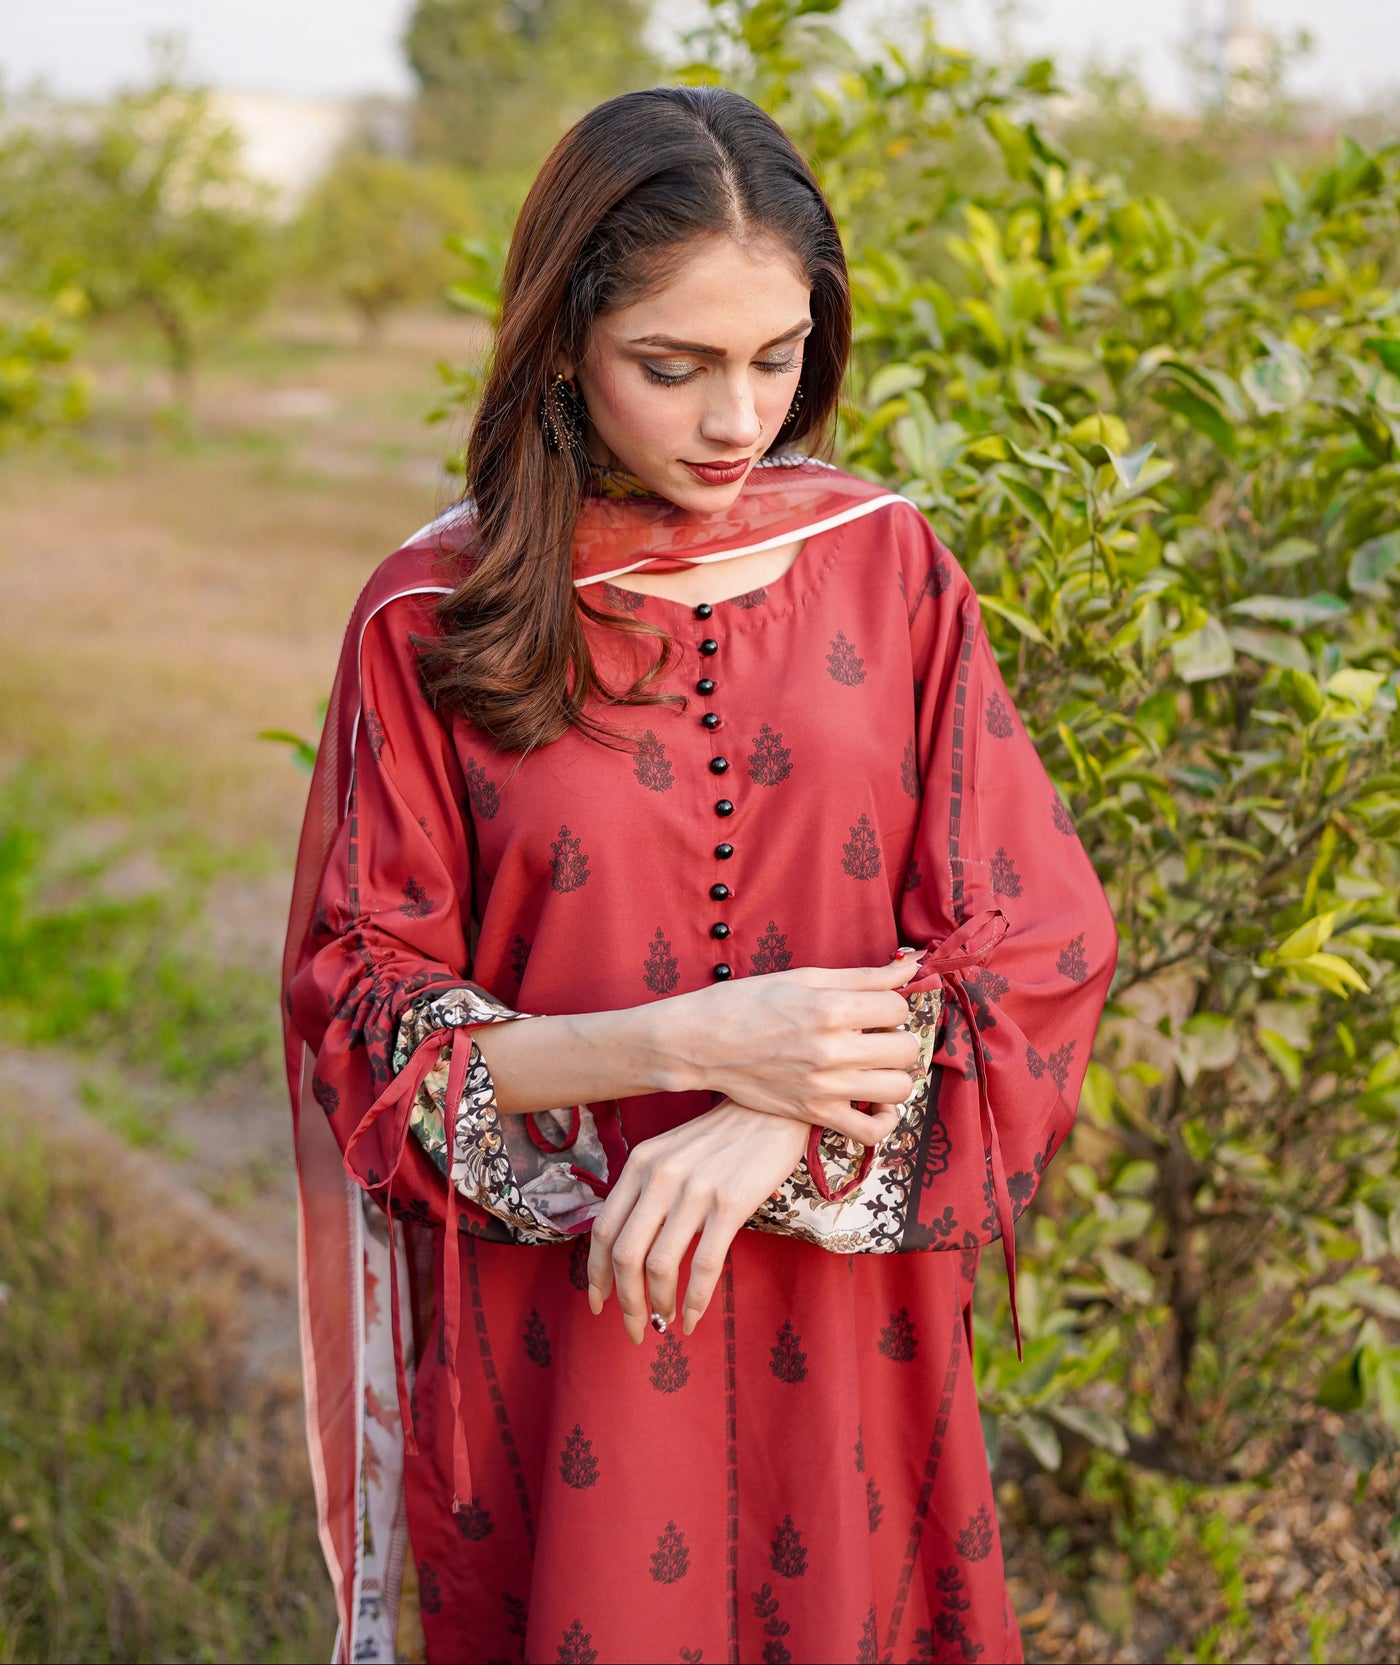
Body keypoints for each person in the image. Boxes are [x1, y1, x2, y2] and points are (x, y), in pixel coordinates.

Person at [282, 85, 1117, 1665]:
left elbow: (1033, 944)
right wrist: (686, 1040)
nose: (738, 419)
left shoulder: (888, 564)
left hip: (848, 1341)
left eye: (776, 357)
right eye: (673, 367)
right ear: (562, 346)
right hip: (564, 1349)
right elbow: (364, 1028)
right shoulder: (434, 616)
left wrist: (777, 1114)